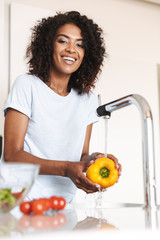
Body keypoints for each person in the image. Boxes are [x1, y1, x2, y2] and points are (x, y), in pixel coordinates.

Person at [3, 11, 121, 203]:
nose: (71, 49)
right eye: (63, 41)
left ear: (87, 54)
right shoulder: (27, 85)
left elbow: (81, 154)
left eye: (80, 44)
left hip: (61, 203)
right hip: (18, 201)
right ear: (48, 45)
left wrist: (95, 159)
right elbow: (12, 154)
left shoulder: (88, 99)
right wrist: (66, 168)